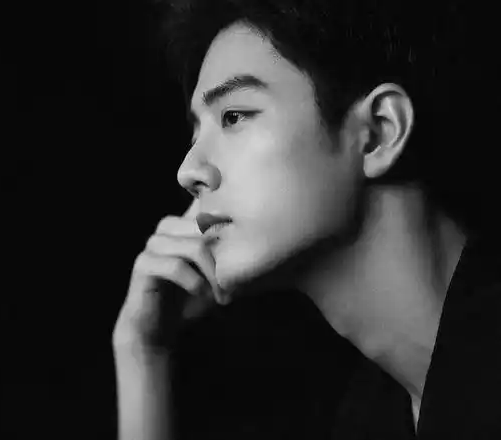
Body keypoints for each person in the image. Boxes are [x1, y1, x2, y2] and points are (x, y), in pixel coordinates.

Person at [112, 0, 501, 438]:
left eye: (233, 117)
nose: (188, 171)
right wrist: (143, 353)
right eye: (196, 134)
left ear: (379, 132)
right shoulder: (370, 412)